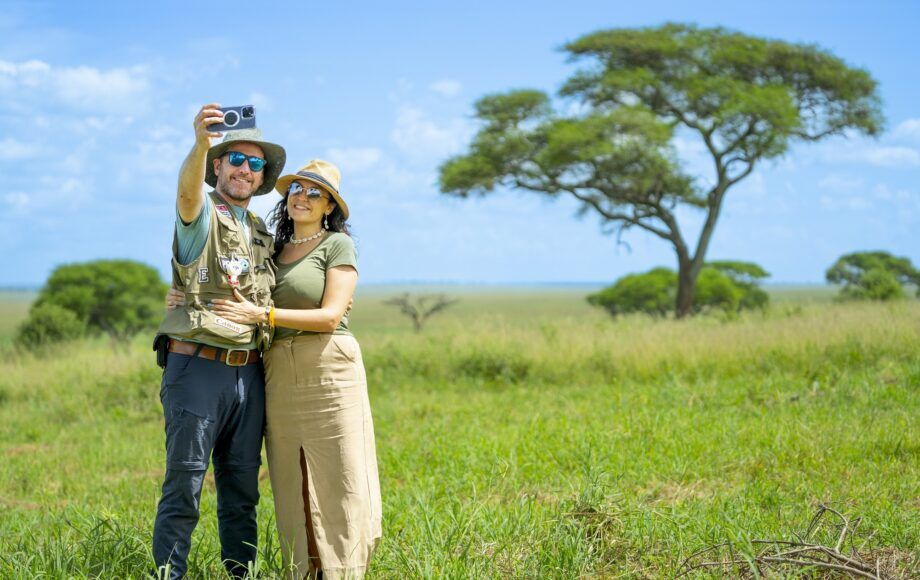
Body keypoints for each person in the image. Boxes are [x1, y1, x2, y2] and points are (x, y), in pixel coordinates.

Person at [210, 160, 382, 579]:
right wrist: (181, 296)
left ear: (329, 207)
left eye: (314, 193)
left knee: (340, 475)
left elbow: (330, 315)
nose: (302, 197)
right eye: (297, 189)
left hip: (329, 367)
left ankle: (345, 570)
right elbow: (227, 281)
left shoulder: (337, 246)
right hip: (278, 373)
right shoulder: (272, 248)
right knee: (291, 478)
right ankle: (303, 572)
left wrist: (263, 315)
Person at [152, 103, 286, 579]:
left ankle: (239, 574)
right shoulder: (202, 214)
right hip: (198, 370)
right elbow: (187, 196)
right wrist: (200, 143)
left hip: (249, 372)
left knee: (242, 490)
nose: (244, 170)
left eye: (255, 164)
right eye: (235, 160)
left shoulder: (261, 231)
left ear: (262, 175)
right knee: (185, 483)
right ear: (218, 167)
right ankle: (170, 574)